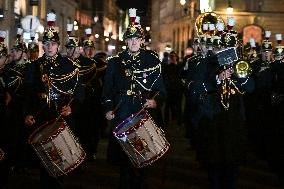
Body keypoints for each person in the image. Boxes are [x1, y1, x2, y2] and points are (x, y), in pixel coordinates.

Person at [187, 16, 254, 189]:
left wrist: (241, 76)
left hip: (233, 120)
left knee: (233, 163)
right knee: (214, 164)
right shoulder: (206, 63)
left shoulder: (240, 63)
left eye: (232, 47)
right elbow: (196, 90)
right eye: (224, 46)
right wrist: (217, 78)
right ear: (219, 46)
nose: (227, 50)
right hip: (213, 120)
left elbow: (251, 88)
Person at [102, 8, 166, 189]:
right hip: (122, 111)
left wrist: (155, 102)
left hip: (142, 111)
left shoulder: (151, 61)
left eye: (136, 39)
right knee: (124, 157)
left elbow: (160, 90)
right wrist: (107, 108)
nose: (133, 42)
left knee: (143, 153)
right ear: (126, 41)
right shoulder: (115, 62)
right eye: (129, 39)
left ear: (142, 41)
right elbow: (107, 90)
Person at [23, 13, 84, 189]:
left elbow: (79, 93)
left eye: (53, 44)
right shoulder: (34, 66)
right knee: (43, 161)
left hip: (60, 116)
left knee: (60, 158)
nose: (49, 47)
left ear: (58, 45)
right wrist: (27, 113)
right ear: (43, 45)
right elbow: (28, 93)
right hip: (41, 116)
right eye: (46, 44)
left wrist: (72, 108)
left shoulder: (69, 66)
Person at [65, 34, 99, 161]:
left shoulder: (89, 63)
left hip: (85, 102)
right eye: (68, 48)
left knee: (84, 130)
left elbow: (89, 81)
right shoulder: (63, 62)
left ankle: (84, 155)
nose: (70, 51)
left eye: (73, 48)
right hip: (67, 101)